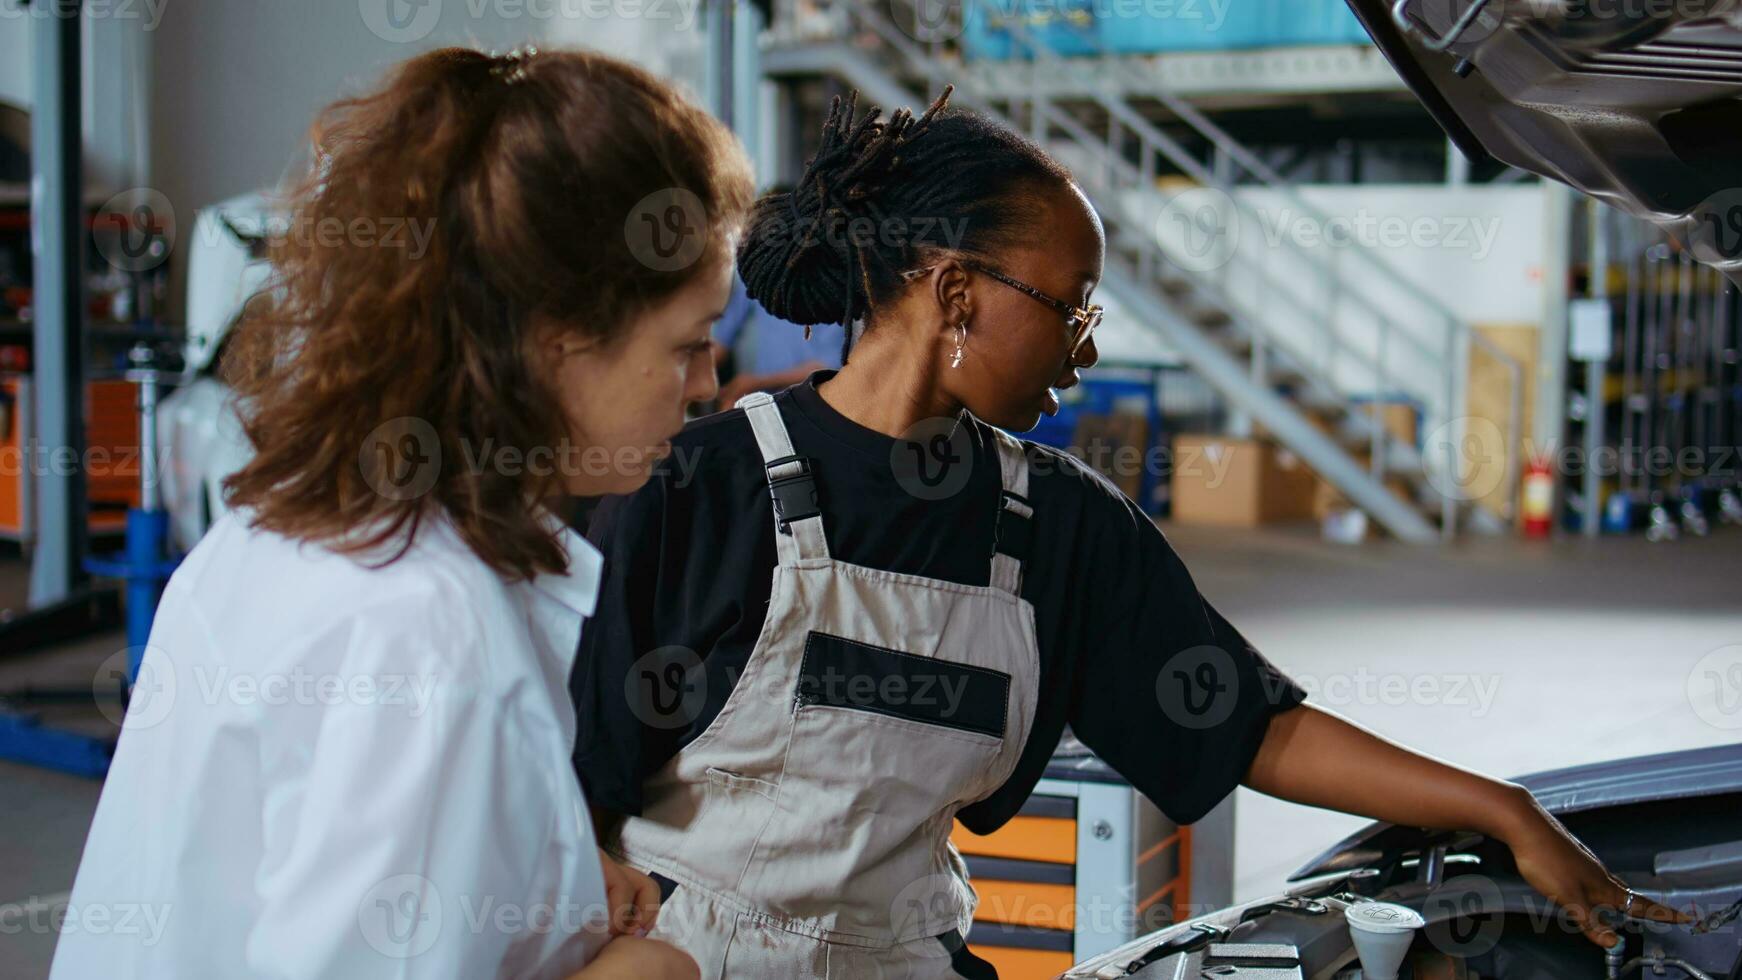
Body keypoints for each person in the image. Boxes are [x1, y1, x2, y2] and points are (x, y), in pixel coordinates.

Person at [571, 89, 1688, 978]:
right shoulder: (702, 484)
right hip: (676, 958)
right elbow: (569, 767)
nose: (1084, 346)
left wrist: (1503, 806)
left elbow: (1244, 725)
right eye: (1071, 306)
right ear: (955, 292)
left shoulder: (1054, 525)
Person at [52, 46, 752, 980]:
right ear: (555, 344)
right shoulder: (433, 639)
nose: (709, 384)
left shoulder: (283, 531)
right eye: (687, 344)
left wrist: (537, 873)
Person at [711, 268, 845, 409]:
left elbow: (826, 366)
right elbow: (721, 342)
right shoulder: (756, 271)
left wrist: (757, 382)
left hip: (811, 401)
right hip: (763, 400)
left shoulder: (829, 281)